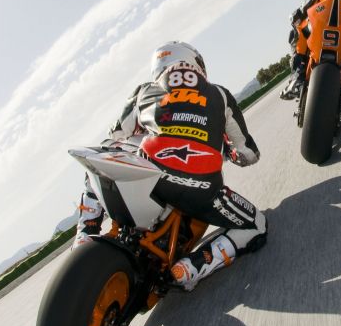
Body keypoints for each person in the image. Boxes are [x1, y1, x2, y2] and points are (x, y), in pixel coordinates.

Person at [75, 41, 267, 292]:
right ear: (196, 63)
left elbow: (116, 135)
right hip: (202, 187)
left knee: (104, 154)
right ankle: (193, 266)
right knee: (257, 225)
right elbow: (248, 153)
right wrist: (231, 153)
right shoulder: (219, 93)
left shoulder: (144, 91)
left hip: (151, 175)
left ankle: (86, 231)